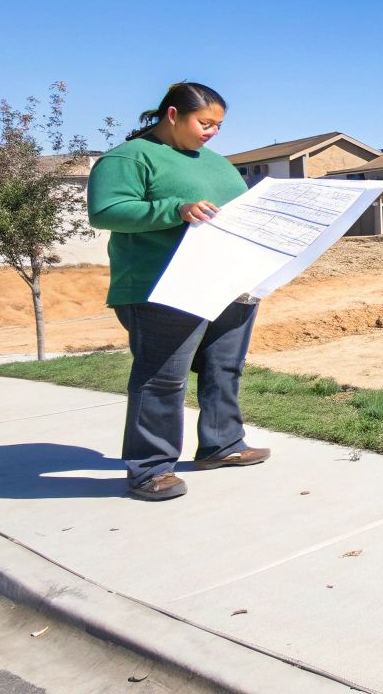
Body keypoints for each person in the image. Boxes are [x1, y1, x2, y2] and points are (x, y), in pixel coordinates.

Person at [87, 82, 270, 501]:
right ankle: (150, 470)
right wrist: (176, 210)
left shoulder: (218, 164)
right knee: (161, 381)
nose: (212, 132)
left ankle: (222, 445)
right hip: (161, 286)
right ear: (173, 114)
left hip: (229, 282)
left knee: (224, 367)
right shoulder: (129, 158)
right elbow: (106, 210)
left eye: (218, 126)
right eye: (205, 122)